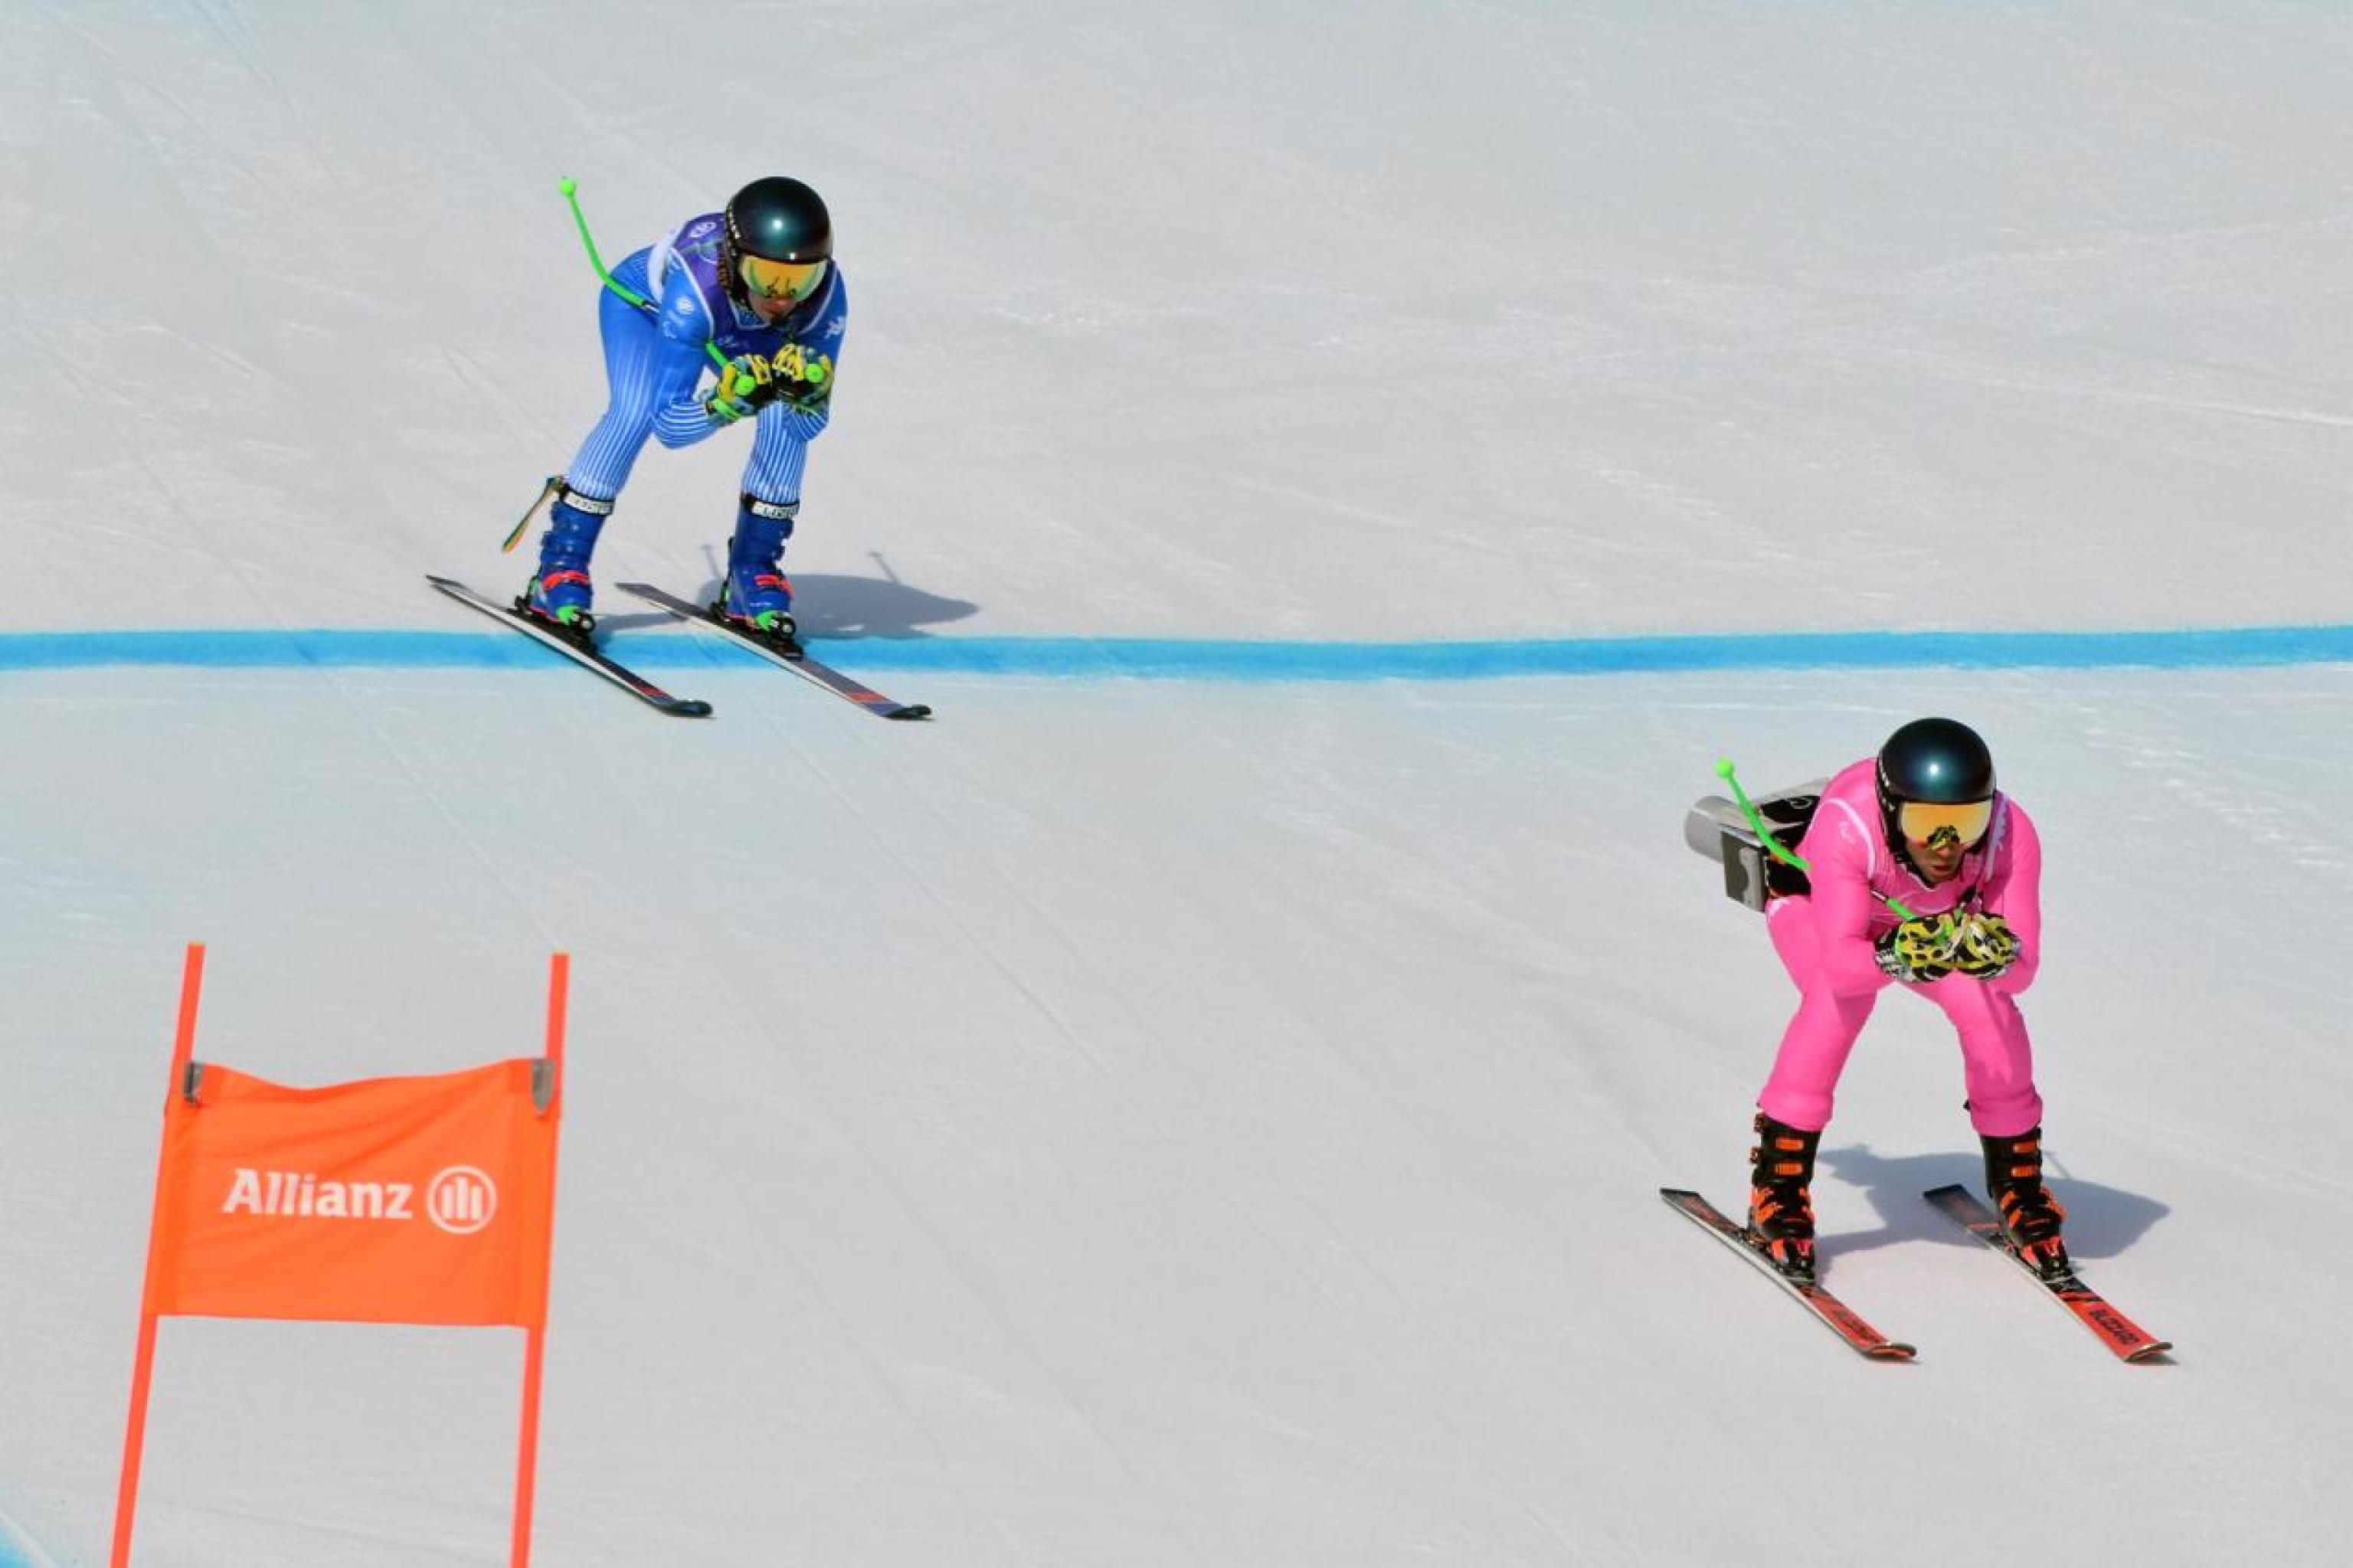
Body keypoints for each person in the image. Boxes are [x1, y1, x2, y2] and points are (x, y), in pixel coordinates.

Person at [1744, 717, 2070, 1283]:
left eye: (1964, 823)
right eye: (1927, 825)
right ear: (1892, 809)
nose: (1948, 847)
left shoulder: (2010, 833)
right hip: (1817, 914)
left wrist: (1993, 956)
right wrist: (1892, 955)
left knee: (1987, 1004)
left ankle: (2018, 1184)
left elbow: (2023, 971)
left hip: (1926, 926)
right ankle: (1778, 1185)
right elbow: (1845, 965)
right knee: (1837, 1001)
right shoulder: (1849, 825)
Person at [519, 175, 846, 650]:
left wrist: (809, 397)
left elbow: (809, 427)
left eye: (802, 280)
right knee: (632, 415)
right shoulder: (694, 292)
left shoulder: (827, 298)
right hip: (648, 309)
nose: (782, 297)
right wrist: (724, 404)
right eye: (767, 277)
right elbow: (669, 426)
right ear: (734, 264)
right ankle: (559, 568)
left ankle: (751, 576)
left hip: (732, 327)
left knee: (781, 410)